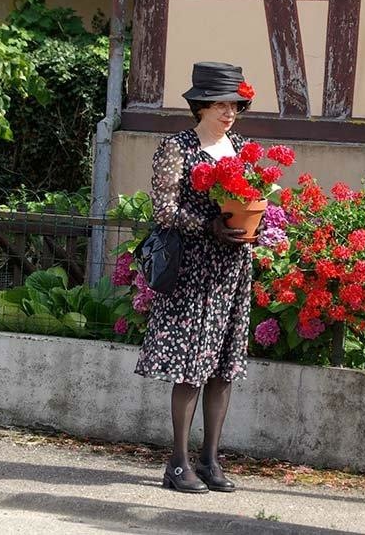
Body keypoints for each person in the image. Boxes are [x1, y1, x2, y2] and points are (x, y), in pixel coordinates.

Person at [135, 61, 254, 494]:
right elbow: (163, 211)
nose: (229, 113)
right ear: (201, 105)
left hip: (233, 268)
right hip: (193, 268)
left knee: (223, 366)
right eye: (221, 104)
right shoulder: (177, 148)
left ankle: (210, 459)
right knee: (190, 366)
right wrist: (209, 227)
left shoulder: (241, 147)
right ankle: (178, 462)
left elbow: (254, 198)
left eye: (235, 105)